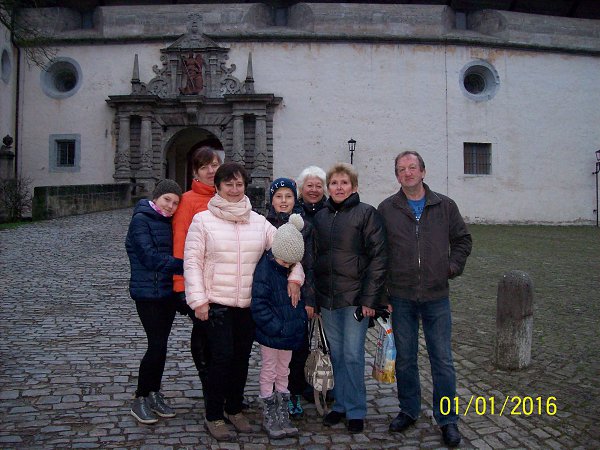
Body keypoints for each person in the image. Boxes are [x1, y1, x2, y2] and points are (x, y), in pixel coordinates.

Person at [183, 162, 305, 441]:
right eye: (229, 184)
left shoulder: (258, 222)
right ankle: (214, 414)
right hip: (216, 304)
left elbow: (289, 249)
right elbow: (192, 263)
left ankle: (234, 408)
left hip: (248, 305)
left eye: (239, 184)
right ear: (218, 187)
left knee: (240, 360)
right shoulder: (203, 221)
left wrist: (295, 277)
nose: (235, 189)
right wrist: (199, 300)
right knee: (220, 360)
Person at [377, 151, 472, 448]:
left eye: (412, 167)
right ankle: (409, 409)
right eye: (401, 169)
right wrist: (383, 293)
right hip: (401, 295)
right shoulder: (387, 209)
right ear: (397, 175)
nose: (407, 173)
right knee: (405, 359)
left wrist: (451, 267)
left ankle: (447, 419)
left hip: (436, 296)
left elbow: (462, 240)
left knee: (442, 359)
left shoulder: (445, 205)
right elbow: (378, 253)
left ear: (423, 171)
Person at [312, 163, 387, 434]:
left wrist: (370, 300)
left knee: (353, 355)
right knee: (338, 355)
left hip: (355, 299)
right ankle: (341, 404)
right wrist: (315, 299)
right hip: (329, 299)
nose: (339, 187)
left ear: (354, 187)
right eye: (334, 183)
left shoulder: (366, 214)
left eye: (344, 183)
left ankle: (356, 409)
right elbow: (315, 259)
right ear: (328, 187)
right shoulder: (321, 217)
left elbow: (378, 258)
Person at [125, 179, 183, 424]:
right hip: (147, 293)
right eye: (167, 200)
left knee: (161, 346)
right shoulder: (141, 220)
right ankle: (140, 397)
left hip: (166, 293)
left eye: (175, 203)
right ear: (156, 197)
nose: (170, 206)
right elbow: (149, 257)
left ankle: (153, 393)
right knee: (156, 345)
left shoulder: (169, 221)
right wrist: (184, 265)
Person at [171, 146, 221, 402]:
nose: (210, 171)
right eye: (204, 166)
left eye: (214, 165)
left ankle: (222, 387)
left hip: (223, 282)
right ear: (195, 172)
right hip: (198, 282)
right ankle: (209, 385)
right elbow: (180, 244)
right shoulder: (188, 201)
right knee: (204, 333)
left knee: (223, 338)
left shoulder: (227, 196)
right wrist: (181, 285)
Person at [251, 213, 308, 439]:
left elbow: (298, 304)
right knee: (269, 370)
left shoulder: (292, 271)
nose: (287, 266)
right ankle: (269, 410)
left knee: (284, 370)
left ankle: (282, 410)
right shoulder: (265, 270)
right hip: (272, 333)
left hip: (288, 334)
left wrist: (297, 325)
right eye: (284, 262)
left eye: (291, 264)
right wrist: (277, 328)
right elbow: (259, 305)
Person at [287, 166, 327, 416]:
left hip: (327, 285)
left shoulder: (331, 211)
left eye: (318, 185)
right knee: (298, 343)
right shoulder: (294, 213)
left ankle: (325, 384)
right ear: (301, 188)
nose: (314, 190)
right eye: (309, 185)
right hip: (300, 286)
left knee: (326, 342)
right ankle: (296, 387)